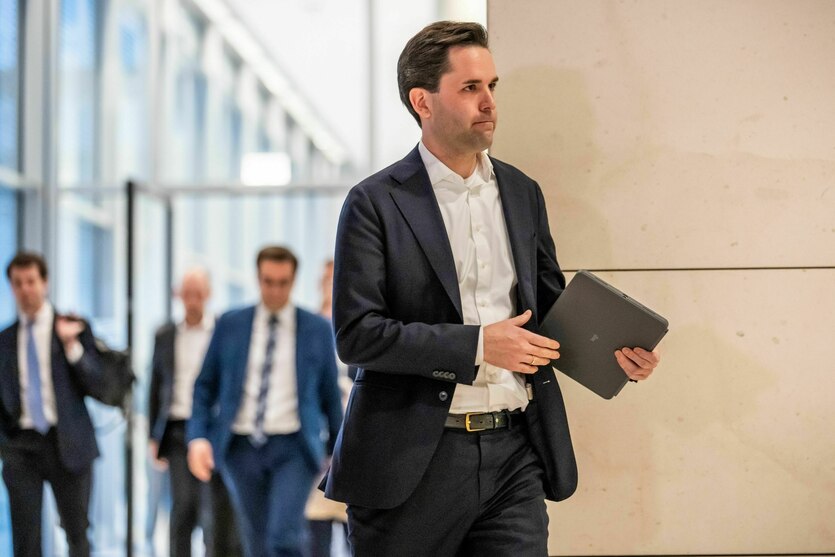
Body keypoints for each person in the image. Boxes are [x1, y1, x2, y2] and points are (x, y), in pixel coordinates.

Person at [322, 21, 661, 556]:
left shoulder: (523, 192)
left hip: (515, 453)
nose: (489, 103)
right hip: (411, 461)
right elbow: (357, 336)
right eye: (470, 88)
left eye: (492, 86)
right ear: (422, 101)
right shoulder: (374, 203)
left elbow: (549, 314)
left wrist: (611, 353)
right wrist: (478, 346)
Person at [187, 246, 343, 557]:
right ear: (258, 278)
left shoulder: (316, 330)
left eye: (282, 282)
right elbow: (205, 386)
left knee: (284, 536)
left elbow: (330, 398)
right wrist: (197, 438)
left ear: (293, 280)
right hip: (241, 447)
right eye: (268, 281)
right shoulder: (231, 324)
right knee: (255, 539)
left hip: (295, 448)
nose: (275, 289)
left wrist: (341, 456)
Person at [0, 251, 107, 557]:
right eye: (18, 283)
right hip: (22, 447)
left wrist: (72, 346)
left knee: (77, 535)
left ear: (44, 283)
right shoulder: (5, 341)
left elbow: (98, 385)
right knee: (25, 540)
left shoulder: (73, 328)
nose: (25, 289)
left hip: (69, 444)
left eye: (31, 281)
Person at [148, 268, 241, 557]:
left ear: (208, 295)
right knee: (182, 507)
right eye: (187, 294)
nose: (192, 301)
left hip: (213, 429)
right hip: (177, 428)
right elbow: (156, 386)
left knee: (213, 509)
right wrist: (153, 436)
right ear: (178, 295)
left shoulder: (222, 333)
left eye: (198, 294)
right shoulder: (165, 335)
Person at [304, 260, 350, 557]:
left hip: (356, 445)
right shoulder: (309, 330)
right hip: (318, 446)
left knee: (355, 535)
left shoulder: (366, 327)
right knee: (314, 538)